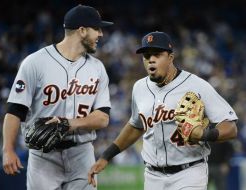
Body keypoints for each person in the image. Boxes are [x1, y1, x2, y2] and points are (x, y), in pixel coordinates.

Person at [88, 31, 238, 190]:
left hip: (189, 173)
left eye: (157, 55)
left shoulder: (197, 86)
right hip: (153, 176)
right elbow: (136, 126)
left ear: (170, 57)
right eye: (146, 56)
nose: (151, 60)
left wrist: (205, 134)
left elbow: (230, 127)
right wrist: (106, 156)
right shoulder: (139, 88)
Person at [2, 4, 113, 190]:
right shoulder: (35, 63)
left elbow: (102, 118)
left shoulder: (97, 68)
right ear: (82, 30)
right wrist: (8, 150)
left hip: (82, 154)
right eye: (97, 28)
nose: (101, 34)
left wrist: (67, 123)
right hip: (43, 157)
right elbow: (15, 111)